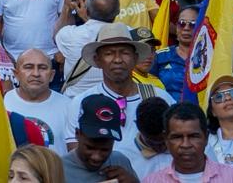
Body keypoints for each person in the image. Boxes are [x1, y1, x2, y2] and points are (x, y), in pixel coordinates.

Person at [66, 25, 172, 155]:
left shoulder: (159, 98)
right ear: (97, 60)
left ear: (135, 58)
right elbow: (76, 155)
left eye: (124, 53)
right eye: (109, 53)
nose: (117, 60)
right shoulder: (82, 102)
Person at [143, 102, 233, 182]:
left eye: (193, 136)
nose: (185, 145)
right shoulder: (152, 181)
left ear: (206, 138)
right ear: (166, 139)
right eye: (177, 137)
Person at [55, 0, 121, 98]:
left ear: (87, 10)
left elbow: (57, 34)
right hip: (115, 103)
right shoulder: (127, 34)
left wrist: (67, 7)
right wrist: (87, 18)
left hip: (76, 103)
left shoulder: (70, 36)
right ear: (117, 12)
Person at [4, 50, 71, 156]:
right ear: (16, 74)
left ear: (52, 75)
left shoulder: (68, 106)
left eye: (42, 68)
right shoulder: (2, 103)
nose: (36, 74)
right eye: (28, 67)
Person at [61, 94, 138, 183]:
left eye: (105, 150)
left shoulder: (120, 161)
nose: (96, 157)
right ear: (77, 134)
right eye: (90, 148)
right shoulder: (59, 168)